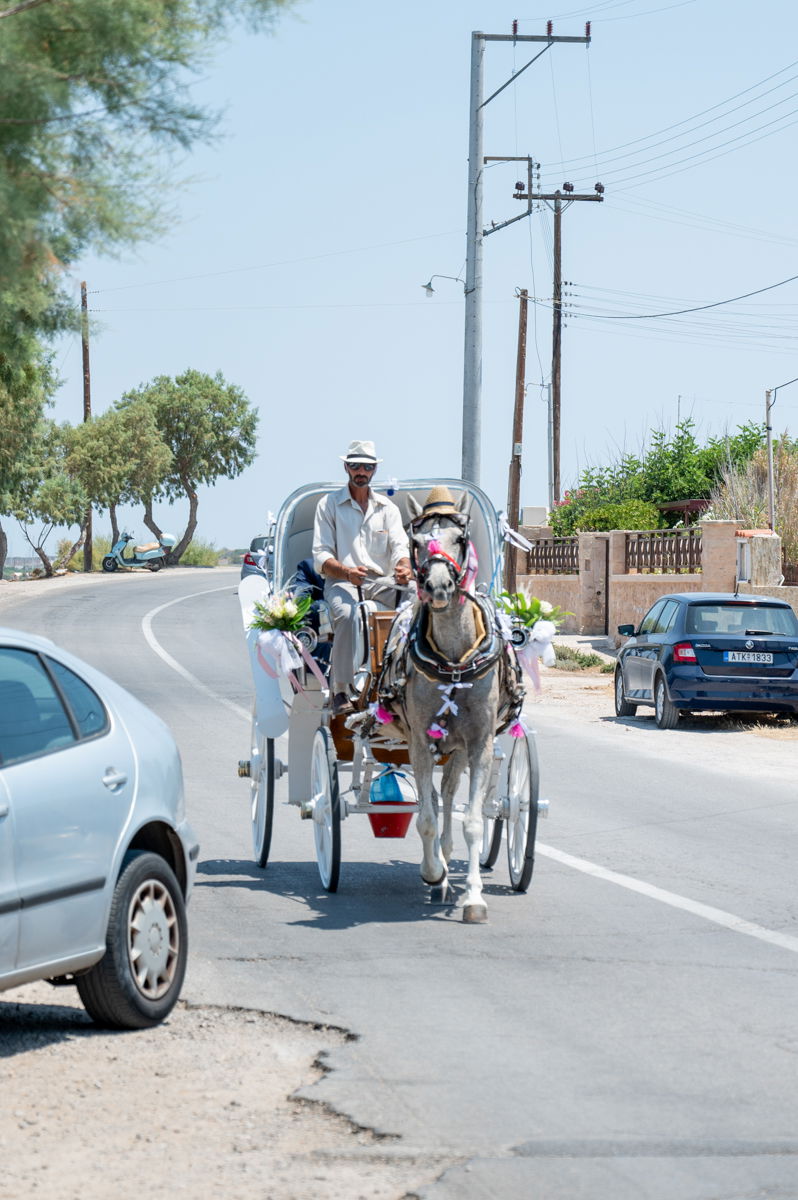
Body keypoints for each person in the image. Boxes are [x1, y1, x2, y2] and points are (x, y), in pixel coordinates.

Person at [312, 440, 412, 715]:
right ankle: (341, 688)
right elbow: (321, 554)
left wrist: (404, 567)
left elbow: (400, 547)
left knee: (417, 609)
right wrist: (346, 572)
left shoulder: (387, 508)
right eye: (355, 465)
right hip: (342, 581)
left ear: (373, 471)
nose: (361, 471)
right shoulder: (329, 505)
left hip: (383, 584)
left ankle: (408, 681)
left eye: (367, 467)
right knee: (346, 615)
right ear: (346, 466)